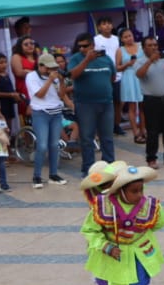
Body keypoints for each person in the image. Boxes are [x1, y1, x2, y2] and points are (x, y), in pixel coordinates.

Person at [82, 164, 164, 285]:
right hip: (111, 256)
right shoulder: (103, 205)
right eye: (134, 191)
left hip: (136, 255)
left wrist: (152, 219)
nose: (139, 195)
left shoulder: (148, 205)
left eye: (141, 190)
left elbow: (160, 223)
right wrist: (105, 245)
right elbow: (89, 230)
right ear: (121, 191)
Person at [67, 33, 117, 174]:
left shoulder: (105, 59)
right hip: (85, 104)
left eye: (85, 46)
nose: (82, 49)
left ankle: (109, 168)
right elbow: (72, 75)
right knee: (87, 138)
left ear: (93, 45)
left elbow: (112, 77)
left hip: (106, 103)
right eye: (80, 46)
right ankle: (88, 169)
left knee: (107, 137)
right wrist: (86, 61)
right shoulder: (76, 59)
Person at [135, 36, 164, 170]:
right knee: (153, 131)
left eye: (155, 45)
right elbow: (140, 74)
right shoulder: (140, 61)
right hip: (151, 100)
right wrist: (150, 61)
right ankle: (151, 158)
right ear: (144, 48)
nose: (154, 47)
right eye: (150, 45)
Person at [25, 52, 70, 188]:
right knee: (42, 145)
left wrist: (61, 81)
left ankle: (53, 175)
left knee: (54, 145)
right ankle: (37, 177)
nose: (51, 70)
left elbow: (61, 95)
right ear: (40, 66)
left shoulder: (56, 76)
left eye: (53, 67)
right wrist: (50, 80)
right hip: (40, 113)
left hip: (56, 113)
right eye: (47, 68)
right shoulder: (31, 77)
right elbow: (39, 95)